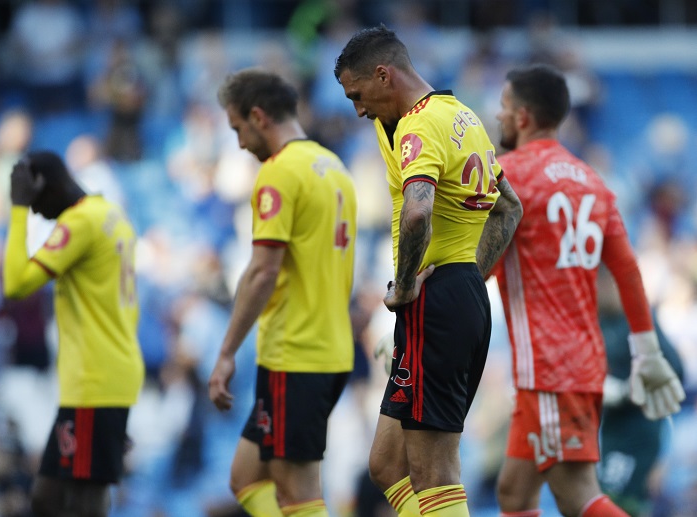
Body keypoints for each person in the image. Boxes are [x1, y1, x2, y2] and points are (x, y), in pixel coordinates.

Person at [334, 25, 523, 516]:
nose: (357, 109)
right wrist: (468, 278)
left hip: (431, 300)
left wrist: (405, 284)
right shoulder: (462, 116)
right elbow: (510, 209)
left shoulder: (419, 126)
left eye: (357, 94)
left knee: (435, 475)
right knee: (386, 463)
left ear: (382, 75)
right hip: (458, 293)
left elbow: (418, 210)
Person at [489, 63, 685, 517]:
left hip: (550, 369)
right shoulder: (593, 181)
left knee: (579, 497)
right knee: (513, 495)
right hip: (574, 362)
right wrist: (648, 351)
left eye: (502, 107)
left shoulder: (508, 175)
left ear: (522, 116)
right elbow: (628, 270)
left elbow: (474, 261)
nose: (497, 117)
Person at [208, 68, 358, 517]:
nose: (239, 144)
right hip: (327, 348)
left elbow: (261, 272)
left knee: (297, 493)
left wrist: (227, 351)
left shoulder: (279, 173)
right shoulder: (334, 167)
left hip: (297, 351)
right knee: (246, 477)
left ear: (258, 116)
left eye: (238, 129)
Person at [3, 151, 144, 516]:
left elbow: (16, 284)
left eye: (36, 202)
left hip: (95, 378)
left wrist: (16, 209)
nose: (36, 213)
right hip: (107, 373)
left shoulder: (80, 222)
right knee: (46, 498)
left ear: (48, 187)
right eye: (28, 206)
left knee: (84, 500)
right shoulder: (111, 214)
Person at [597, 266, 685, 516]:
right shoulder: (597, 321)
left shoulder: (638, 318)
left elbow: (676, 370)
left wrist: (627, 391)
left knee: (619, 499)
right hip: (611, 431)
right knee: (608, 498)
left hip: (640, 430)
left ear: (610, 284)